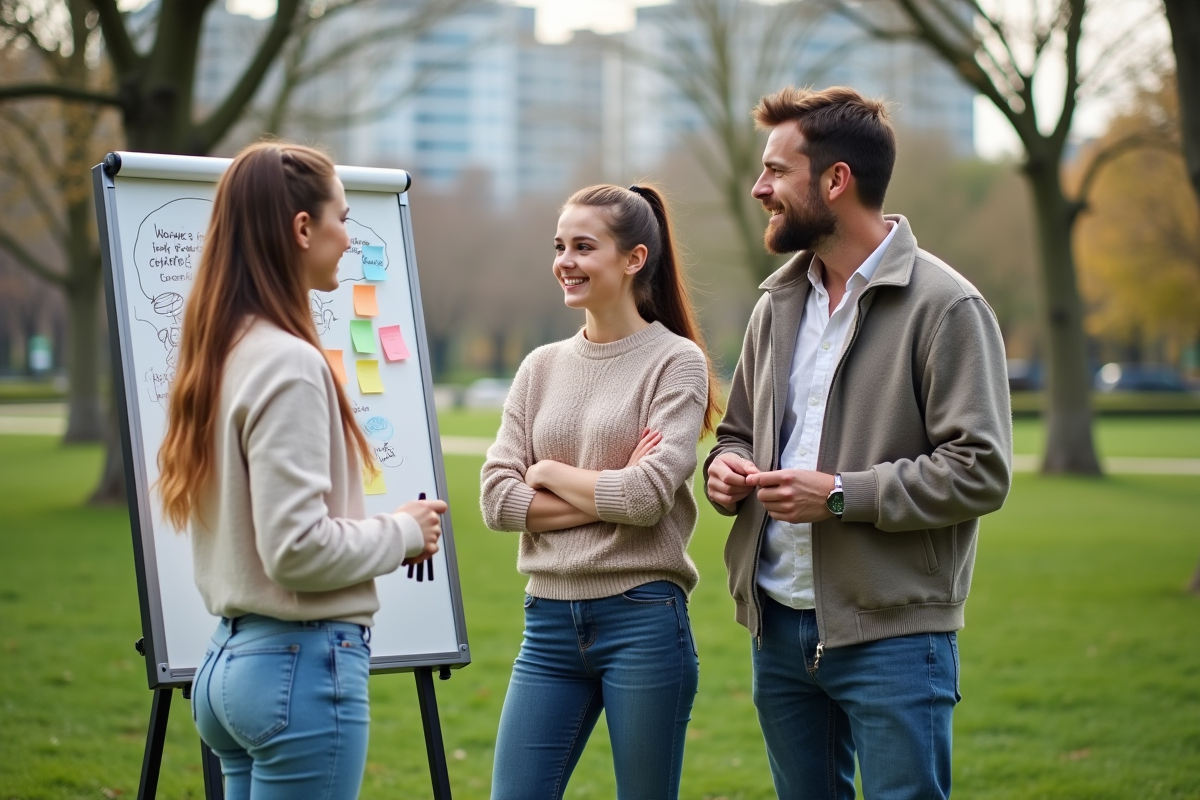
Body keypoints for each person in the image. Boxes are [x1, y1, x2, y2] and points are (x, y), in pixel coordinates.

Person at [704, 86, 1012, 799]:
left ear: (835, 180)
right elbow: (738, 432)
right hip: (777, 628)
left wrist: (842, 494)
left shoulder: (947, 306)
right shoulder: (775, 304)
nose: (759, 189)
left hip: (895, 637)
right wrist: (724, 469)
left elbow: (981, 470)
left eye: (776, 172)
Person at [156, 141, 446, 800]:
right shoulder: (288, 363)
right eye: (341, 218)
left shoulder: (222, 352)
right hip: (297, 670)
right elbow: (295, 550)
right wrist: (402, 532)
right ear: (302, 228)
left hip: (233, 667)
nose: (349, 238)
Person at [480, 184, 721, 799]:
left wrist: (548, 473)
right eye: (559, 246)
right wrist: (605, 490)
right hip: (548, 624)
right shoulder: (540, 367)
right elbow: (496, 501)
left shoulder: (677, 362)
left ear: (633, 259)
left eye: (584, 246)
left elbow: (646, 499)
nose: (565, 260)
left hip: (642, 619)